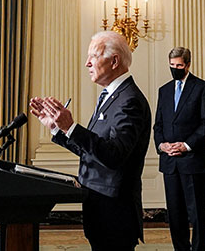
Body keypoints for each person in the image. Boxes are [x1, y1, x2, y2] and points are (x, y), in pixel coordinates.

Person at [30, 31, 151, 251]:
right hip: (100, 208)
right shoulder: (110, 96)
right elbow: (93, 151)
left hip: (115, 213)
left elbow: (113, 156)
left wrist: (72, 127)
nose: (87, 64)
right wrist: (58, 129)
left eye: (93, 56)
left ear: (114, 61)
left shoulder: (129, 100)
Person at [154, 46, 205, 251]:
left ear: (188, 65)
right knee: (174, 212)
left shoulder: (202, 88)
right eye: (172, 66)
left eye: (179, 65)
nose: (175, 69)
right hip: (169, 161)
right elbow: (158, 125)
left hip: (193, 160)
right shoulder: (163, 91)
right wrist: (162, 145)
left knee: (197, 212)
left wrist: (186, 145)